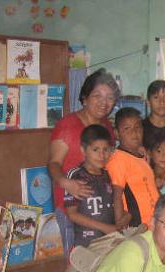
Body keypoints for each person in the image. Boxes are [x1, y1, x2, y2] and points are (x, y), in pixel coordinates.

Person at [48, 68, 119, 255]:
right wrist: (66, 183)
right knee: (75, 266)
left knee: (100, 264)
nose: (104, 103)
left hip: (101, 210)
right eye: (97, 96)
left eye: (110, 97)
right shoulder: (67, 125)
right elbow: (53, 163)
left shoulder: (107, 127)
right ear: (85, 97)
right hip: (72, 209)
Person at [64, 124, 118, 247]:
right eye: (95, 150)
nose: (102, 155)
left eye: (105, 150)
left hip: (108, 241)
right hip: (87, 244)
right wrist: (104, 227)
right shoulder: (76, 177)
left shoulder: (107, 175)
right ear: (83, 150)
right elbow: (72, 214)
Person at [106, 107, 159, 227]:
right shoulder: (118, 160)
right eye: (127, 128)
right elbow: (116, 194)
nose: (134, 132)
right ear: (117, 133)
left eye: (137, 127)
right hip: (137, 227)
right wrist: (120, 223)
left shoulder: (141, 157)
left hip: (153, 224)